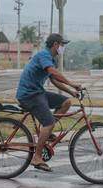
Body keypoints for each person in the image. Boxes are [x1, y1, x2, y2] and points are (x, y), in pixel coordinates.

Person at [16, 33, 82, 172]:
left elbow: (54, 80)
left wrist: (71, 92)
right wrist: (72, 83)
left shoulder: (50, 58)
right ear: (55, 45)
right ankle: (37, 157)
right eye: (62, 45)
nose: (63, 48)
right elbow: (53, 72)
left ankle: (46, 132)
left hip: (37, 92)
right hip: (29, 95)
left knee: (66, 103)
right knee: (49, 123)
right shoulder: (44, 56)